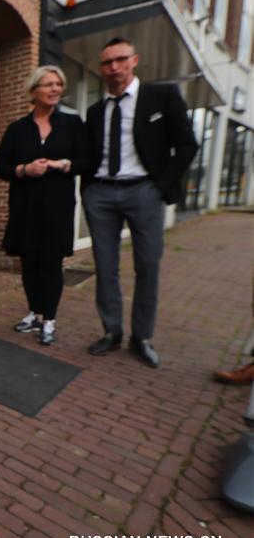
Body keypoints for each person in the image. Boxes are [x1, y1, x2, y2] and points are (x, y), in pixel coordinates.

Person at [83, 37, 198, 367]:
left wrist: (160, 187)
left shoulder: (161, 97)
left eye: (120, 59)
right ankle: (111, 331)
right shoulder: (94, 111)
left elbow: (187, 145)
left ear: (135, 60)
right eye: (107, 62)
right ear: (101, 68)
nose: (114, 67)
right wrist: (88, 190)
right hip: (101, 194)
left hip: (144, 192)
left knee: (147, 265)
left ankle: (141, 337)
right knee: (105, 268)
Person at [0, 66, 90, 345]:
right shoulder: (17, 129)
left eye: (58, 84)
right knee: (28, 263)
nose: (55, 89)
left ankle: (49, 319)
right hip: (25, 207)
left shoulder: (73, 124)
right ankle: (34, 313)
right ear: (34, 90)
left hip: (57, 208)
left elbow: (87, 161)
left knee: (51, 263)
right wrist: (24, 169)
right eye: (48, 84)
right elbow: (2, 168)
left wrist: (63, 164)